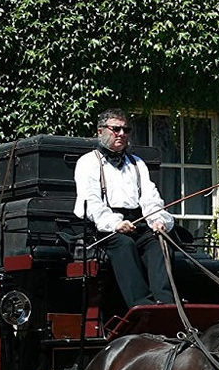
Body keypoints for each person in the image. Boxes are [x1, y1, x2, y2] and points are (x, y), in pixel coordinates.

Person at [74, 108, 176, 306]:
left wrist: (157, 220)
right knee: (124, 244)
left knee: (159, 242)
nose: (122, 134)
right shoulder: (88, 163)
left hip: (137, 223)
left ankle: (166, 303)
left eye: (125, 130)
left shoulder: (137, 164)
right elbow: (92, 202)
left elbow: (150, 197)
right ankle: (141, 304)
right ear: (100, 131)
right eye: (116, 129)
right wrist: (115, 223)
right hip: (103, 227)